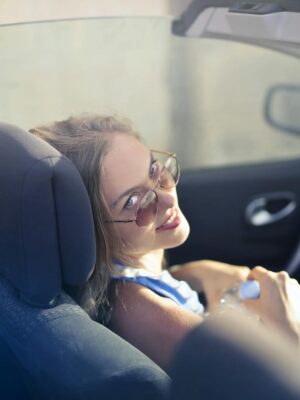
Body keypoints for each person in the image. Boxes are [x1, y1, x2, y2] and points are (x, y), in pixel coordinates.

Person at [29, 114, 300, 371]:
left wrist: (195, 273)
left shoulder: (126, 283)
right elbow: (273, 385)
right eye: (133, 202)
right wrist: (286, 324)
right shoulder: (146, 313)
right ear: (92, 231)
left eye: (155, 171)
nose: (168, 199)